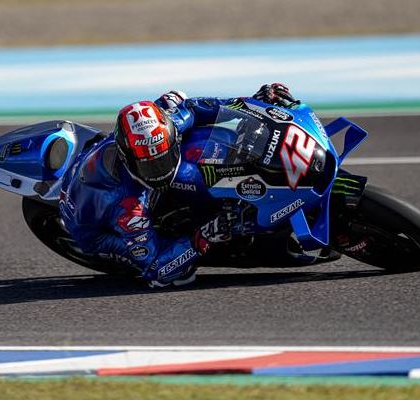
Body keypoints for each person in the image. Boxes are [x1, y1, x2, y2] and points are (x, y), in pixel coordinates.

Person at [59, 83, 298, 288]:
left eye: (163, 157)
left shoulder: (166, 122)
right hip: (95, 230)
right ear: (127, 158)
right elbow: (157, 270)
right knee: (181, 276)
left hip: (111, 169)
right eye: (150, 166)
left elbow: (198, 106)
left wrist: (255, 102)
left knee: (197, 151)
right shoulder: (129, 209)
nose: (159, 170)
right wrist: (207, 233)